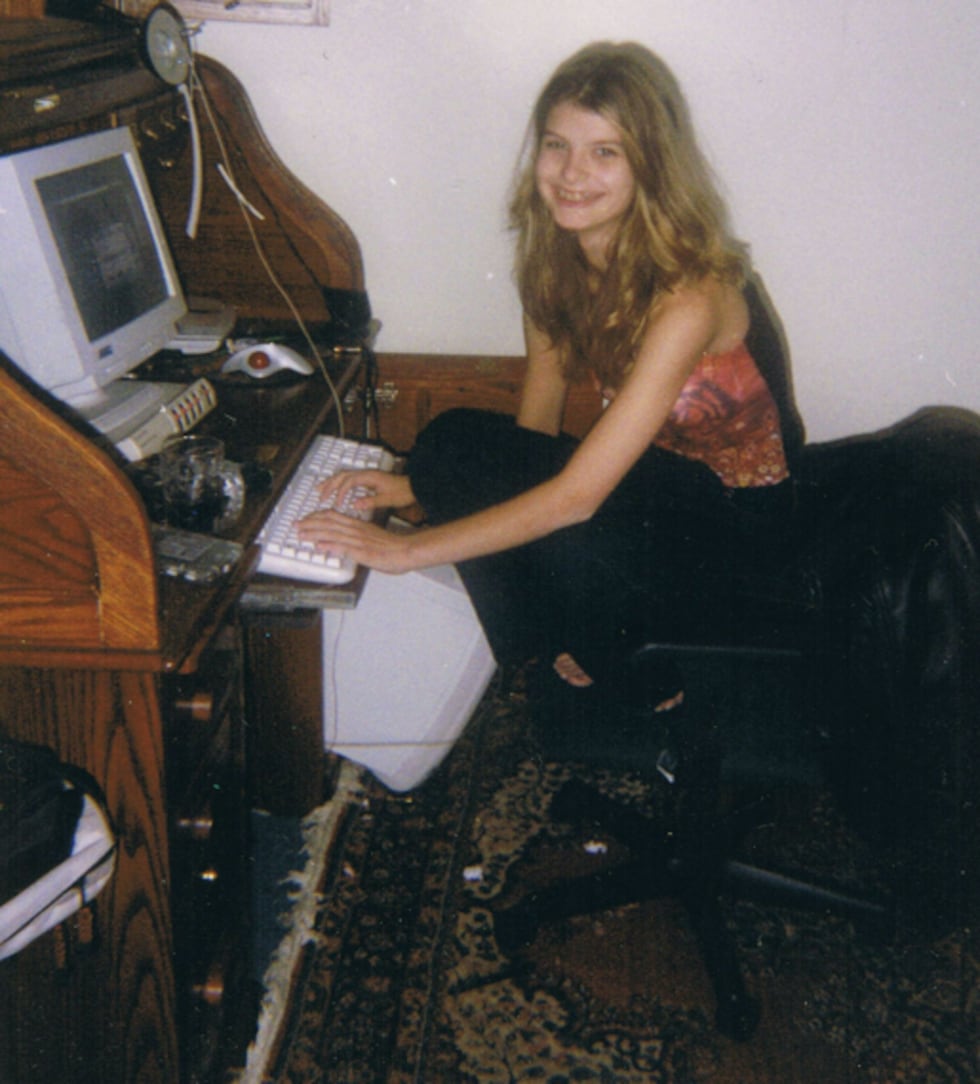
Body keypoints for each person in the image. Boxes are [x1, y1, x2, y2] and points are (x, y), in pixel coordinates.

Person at [299, 42, 793, 719]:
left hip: (737, 530)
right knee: (450, 441)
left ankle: (652, 673)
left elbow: (577, 499)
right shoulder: (554, 259)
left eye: (604, 152)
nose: (571, 173)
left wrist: (407, 549)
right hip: (660, 488)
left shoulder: (691, 295)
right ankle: (566, 628)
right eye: (557, 145)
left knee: (564, 524)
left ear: (652, 166)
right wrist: (422, 483)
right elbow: (534, 425)